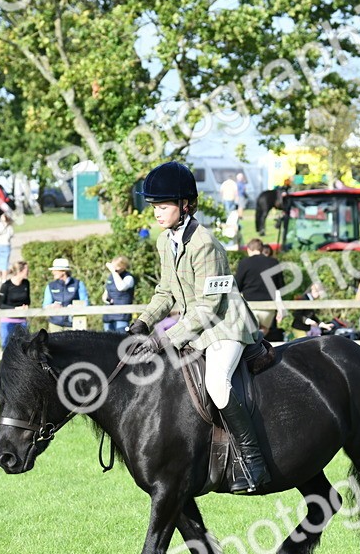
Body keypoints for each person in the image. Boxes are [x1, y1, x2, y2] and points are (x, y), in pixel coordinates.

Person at [130, 161, 269, 492]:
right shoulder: (166, 241)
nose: (157, 213)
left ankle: (253, 461)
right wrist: (142, 323)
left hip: (225, 325)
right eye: (154, 206)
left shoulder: (204, 242)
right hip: (196, 324)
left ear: (185, 205)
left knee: (217, 384)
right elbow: (165, 292)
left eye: (163, 206)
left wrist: (164, 338)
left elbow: (209, 306)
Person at [235, 238, 284, 334]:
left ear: (249, 249)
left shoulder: (244, 263)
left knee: (250, 335)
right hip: (268, 307)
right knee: (263, 332)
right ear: (261, 250)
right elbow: (280, 287)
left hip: (250, 306)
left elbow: (237, 286)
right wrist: (280, 309)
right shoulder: (274, 262)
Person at [42, 258, 89, 331]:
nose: (52, 272)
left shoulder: (78, 284)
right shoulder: (50, 286)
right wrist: (52, 306)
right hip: (55, 323)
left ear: (63, 272)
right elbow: (45, 305)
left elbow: (85, 302)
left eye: (55, 270)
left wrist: (74, 307)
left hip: (73, 323)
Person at [0, 260, 31, 347]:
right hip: (8, 321)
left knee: (23, 348)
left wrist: (25, 306)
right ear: (20, 271)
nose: (28, 272)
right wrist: (15, 309)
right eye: (27, 270)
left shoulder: (26, 284)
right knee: (6, 347)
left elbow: (28, 300)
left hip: (22, 321)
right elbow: (0, 305)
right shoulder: (6, 285)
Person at [102, 256, 136, 333]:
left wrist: (114, 272)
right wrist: (107, 300)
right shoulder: (110, 277)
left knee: (120, 342)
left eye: (116, 267)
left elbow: (120, 287)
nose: (114, 269)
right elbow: (105, 295)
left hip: (121, 317)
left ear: (123, 267)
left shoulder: (129, 278)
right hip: (108, 316)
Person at [0, 212, 15, 283]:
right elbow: (11, 234)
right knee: (5, 262)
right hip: (6, 245)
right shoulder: (9, 226)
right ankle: (4, 277)